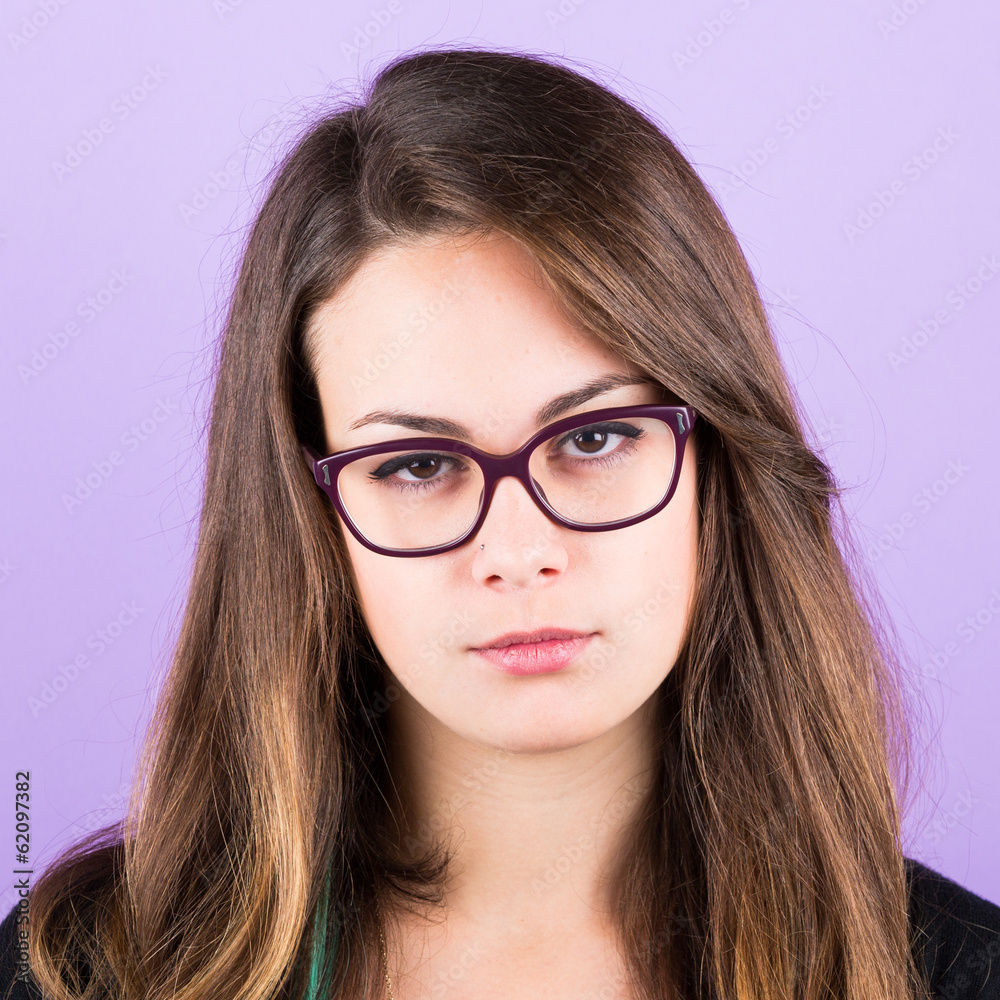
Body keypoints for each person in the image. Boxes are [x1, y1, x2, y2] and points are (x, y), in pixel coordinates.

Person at [2, 45, 998, 1000]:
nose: (518, 552)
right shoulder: (80, 974)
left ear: (717, 463)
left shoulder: (959, 974)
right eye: (417, 464)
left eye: (598, 438)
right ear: (310, 514)